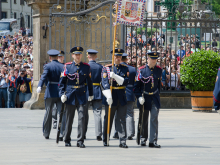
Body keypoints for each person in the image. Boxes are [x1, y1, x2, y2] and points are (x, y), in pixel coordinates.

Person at [59, 46, 93, 148]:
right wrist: (62, 94)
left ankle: (80, 140)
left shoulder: (86, 67)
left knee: (82, 118)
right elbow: (62, 82)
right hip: (70, 95)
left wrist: (91, 94)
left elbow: (89, 82)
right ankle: (67, 139)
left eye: (79, 54)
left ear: (81, 55)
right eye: (76, 54)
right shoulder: (67, 67)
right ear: (73, 55)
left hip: (82, 95)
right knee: (69, 118)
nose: (77, 56)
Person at [101, 48, 129, 148]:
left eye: (119, 56)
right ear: (113, 57)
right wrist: (108, 95)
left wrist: (116, 76)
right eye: (116, 56)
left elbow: (126, 81)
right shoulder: (106, 68)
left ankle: (122, 141)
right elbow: (104, 83)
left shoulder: (125, 68)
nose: (117, 58)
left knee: (122, 120)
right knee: (108, 119)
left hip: (121, 96)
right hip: (111, 97)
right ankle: (106, 139)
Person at [134, 51, 162, 148]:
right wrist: (139, 97)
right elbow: (136, 87)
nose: (154, 61)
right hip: (144, 97)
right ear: (148, 59)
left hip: (154, 97)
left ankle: (153, 140)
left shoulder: (159, 70)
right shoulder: (141, 70)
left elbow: (159, 85)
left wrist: (158, 94)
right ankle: (143, 138)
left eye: (155, 59)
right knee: (144, 119)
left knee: (154, 118)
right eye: (152, 59)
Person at [36, 49, 66, 140]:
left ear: (50, 58)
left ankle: (46, 133)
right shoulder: (63, 66)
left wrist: (40, 86)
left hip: (50, 91)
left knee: (48, 112)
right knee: (62, 113)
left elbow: (43, 77)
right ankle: (61, 134)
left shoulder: (47, 66)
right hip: (61, 91)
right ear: (57, 57)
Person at [113, 53, 136, 140]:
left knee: (118, 114)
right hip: (130, 92)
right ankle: (130, 133)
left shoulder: (118, 68)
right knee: (129, 113)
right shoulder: (133, 69)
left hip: (120, 92)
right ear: (126, 59)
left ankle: (117, 132)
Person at [84, 49, 103, 141]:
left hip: (86, 91)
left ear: (88, 56)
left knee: (84, 113)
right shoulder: (100, 67)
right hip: (97, 91)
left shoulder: (85, 67)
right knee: (97, 113)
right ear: (95, 57)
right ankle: (99, 134)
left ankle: (83, 133)